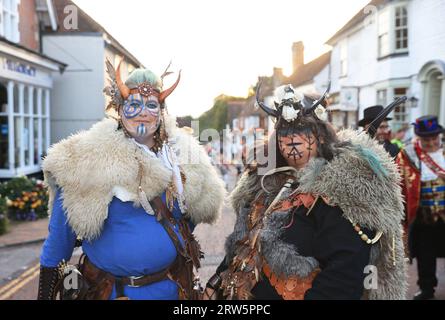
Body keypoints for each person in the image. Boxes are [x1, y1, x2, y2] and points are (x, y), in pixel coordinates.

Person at [37, 59, 226, 300]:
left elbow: (193, 214)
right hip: (112, 292)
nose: (143, 113)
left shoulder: (183, 157)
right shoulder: (85, 158)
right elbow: (58, 242)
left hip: (172, 289)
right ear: (119, 107)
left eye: (151, 105)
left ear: (161, 111)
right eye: (134, 104)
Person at [204, 83, 407, 300]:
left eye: (302, 129)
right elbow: (242, 245)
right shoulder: (263, 183)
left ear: (319, 135)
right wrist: (215, 282)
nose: (292, 138)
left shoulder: (341, 189)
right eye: (284, 131)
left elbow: (343, 276)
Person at [396, 115, 445, 300]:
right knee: (425, 255)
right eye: (427, 139)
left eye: (435, 138)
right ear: (419, 138)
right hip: (422, 217)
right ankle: (426, 289)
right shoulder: (408, 155)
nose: (432, 142)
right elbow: (398, 183)